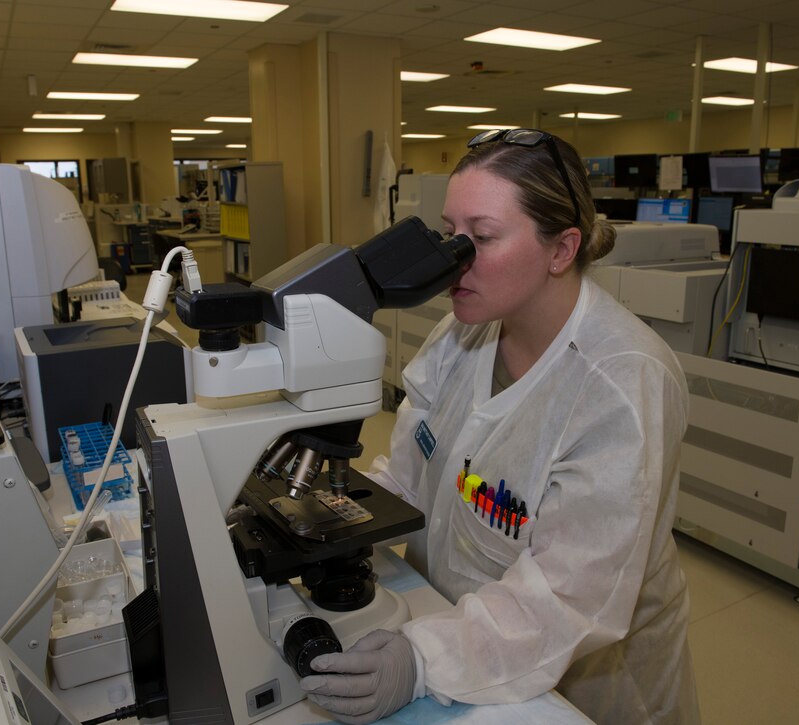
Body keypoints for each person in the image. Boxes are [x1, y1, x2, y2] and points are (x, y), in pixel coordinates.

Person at [300, 129, 700, 724]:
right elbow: (409, 478)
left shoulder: (621, 387)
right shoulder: (464, 330)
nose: (450, 261)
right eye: (448, 234)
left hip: (579, 677)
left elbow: (567, 599)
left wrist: (423, 660)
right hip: (457, 626)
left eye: (480, 238)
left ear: (561, 250)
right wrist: (325, 525)